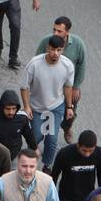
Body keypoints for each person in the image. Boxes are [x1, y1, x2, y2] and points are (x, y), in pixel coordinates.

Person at [19, 35, 74, 170]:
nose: (55, 53)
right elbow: (24, 87)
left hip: (55, 108)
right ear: (47, 48)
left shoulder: (67, 66)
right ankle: (29, 162)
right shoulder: (35, 64)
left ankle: (47, 165)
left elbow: (68, 87)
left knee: (52, 139)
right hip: (37, 108)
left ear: (63, 50)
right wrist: (26, 106)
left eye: (59, 50)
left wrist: (69, 106)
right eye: (53, 49)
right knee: (36, 137)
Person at [35, 17, 87, 145]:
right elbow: (36, 63)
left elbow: (81, 66)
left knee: (70, 111)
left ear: (67, 32)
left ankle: (67, 128)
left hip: (68, 87)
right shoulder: (46, 42)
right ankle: (44, 135)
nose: (55, 34)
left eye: (59, 31)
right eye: (54, 30)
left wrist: (76, 87)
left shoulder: (78, 44)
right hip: (50, 86)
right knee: (46, 111)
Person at [51, 130, 101, 201]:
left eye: (91, 151)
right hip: (66, 200)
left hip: (88, 199)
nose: (87, 154)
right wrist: (52, 198)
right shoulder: (65, 153)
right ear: (78, 145)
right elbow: (54, 176)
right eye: (84, 150)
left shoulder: (100, 153)